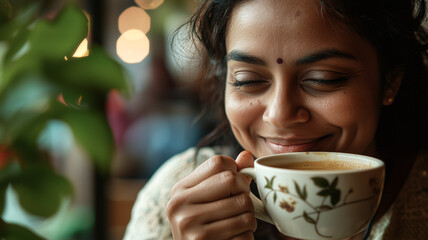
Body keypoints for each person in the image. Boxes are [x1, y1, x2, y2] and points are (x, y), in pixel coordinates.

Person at [124, 0, 428, 239]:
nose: (279, 115)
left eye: (324, 79)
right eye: (247, 80)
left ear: (390, 80)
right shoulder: (176, 200)